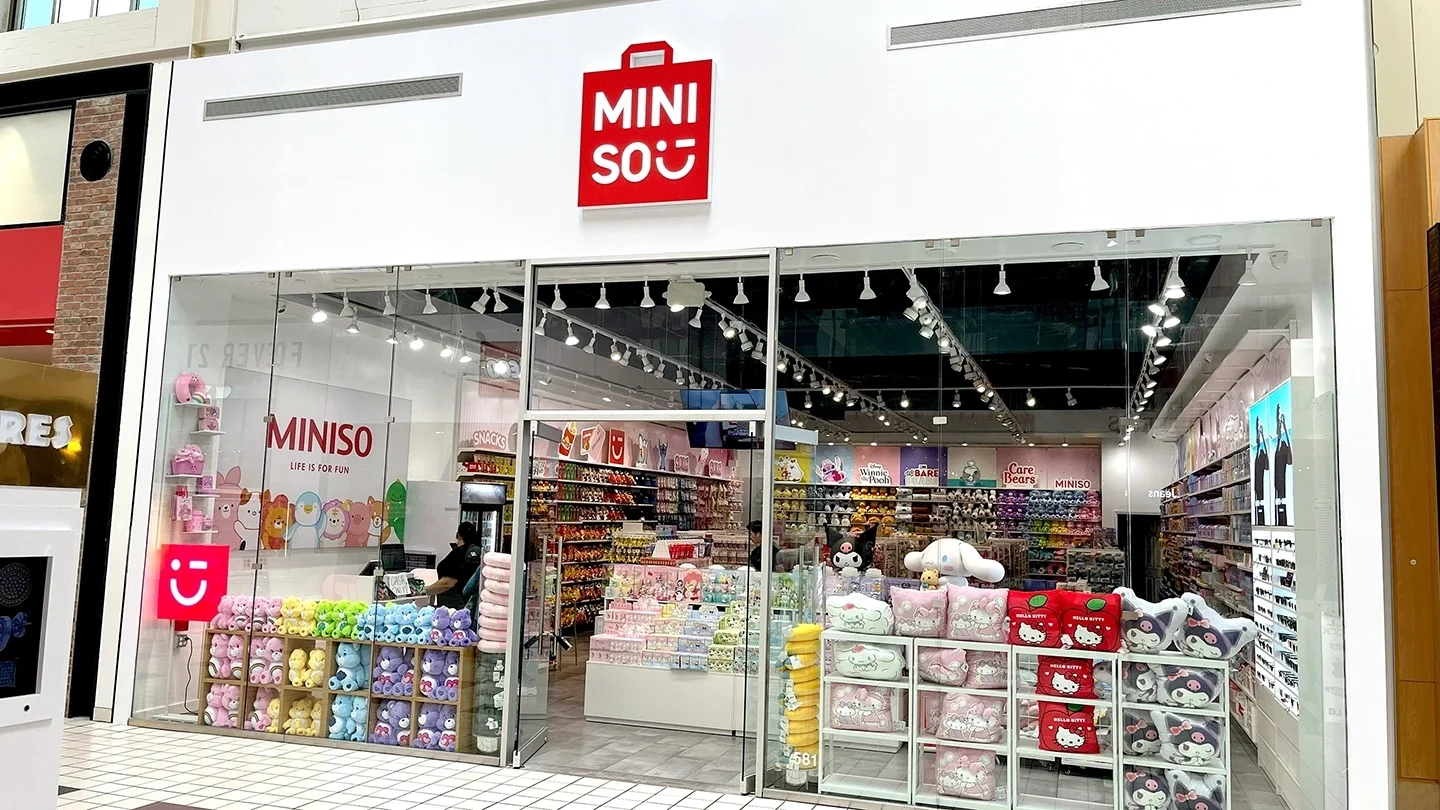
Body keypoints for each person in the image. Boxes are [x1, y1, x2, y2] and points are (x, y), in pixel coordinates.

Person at [426, 522, 484, 609]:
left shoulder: (458, 554)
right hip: (469, 605)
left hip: (452, 607)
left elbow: (447, 583)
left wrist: (425, 591)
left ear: (458, 535)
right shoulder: (479, 551)